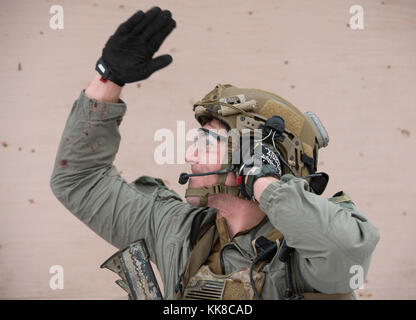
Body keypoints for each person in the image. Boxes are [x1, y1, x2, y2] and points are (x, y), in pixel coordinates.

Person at [50, 7, 380, 300]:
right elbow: (79, 180)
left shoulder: (302, 255)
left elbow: (344, 250)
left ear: (260, 153)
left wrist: (263, 181)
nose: (190, 152)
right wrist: (109, 77)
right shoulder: (177, 230)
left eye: (208, 141)